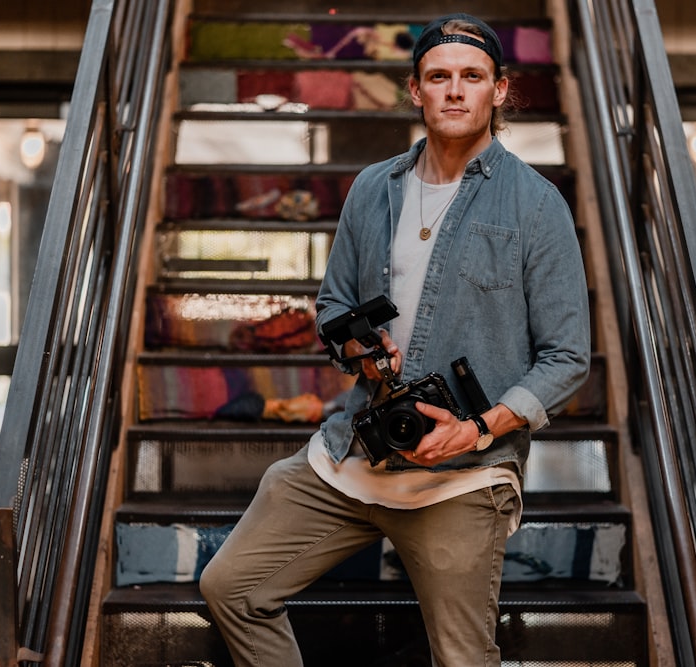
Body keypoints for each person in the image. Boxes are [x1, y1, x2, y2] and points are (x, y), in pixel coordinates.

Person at [200, 13, 592, 666]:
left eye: (473, 76)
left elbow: (567, 357)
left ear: (499, 90)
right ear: (415, 90)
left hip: (462, 479)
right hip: (355, 448)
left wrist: (477, 430)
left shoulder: (536, 205)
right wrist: (359, 349)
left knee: (464, 658)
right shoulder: (372, 188)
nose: (456, 90)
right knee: (231, 585)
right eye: (440, 77)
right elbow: (335, 306)